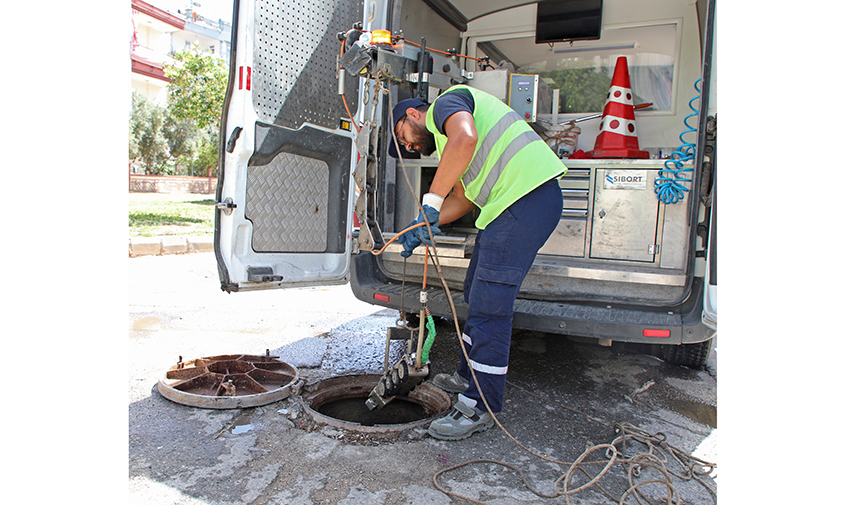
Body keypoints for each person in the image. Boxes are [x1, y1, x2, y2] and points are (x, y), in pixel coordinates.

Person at [389, 84, 566, 440]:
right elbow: (464, 198)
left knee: (490, 306)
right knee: (475, 291)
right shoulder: (447, 143)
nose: (407, 146)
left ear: (413, 114)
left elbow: (465, 139)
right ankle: (468, 374)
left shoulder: (446, 104)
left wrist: (431, 202)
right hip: (507, 207)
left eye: (402, 136)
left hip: (525, 200)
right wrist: (422, 224)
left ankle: (479, 406)